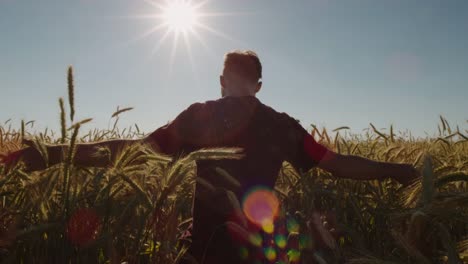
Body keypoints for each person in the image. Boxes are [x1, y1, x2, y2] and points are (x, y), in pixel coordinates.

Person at [0, 50, 419, 263]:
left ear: (222, 81)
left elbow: (130, 153)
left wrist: (53, 154)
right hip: (258, 251)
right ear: (259, 84)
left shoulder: (198, 117)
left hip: (202, 251)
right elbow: (336, 162)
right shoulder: (284, 126)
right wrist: (398, 170)